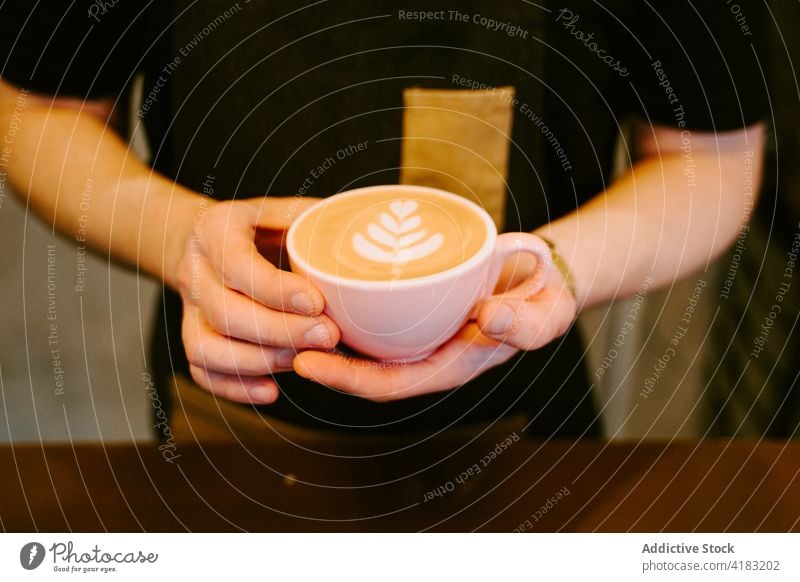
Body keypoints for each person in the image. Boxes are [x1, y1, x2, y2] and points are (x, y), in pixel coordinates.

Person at [0, 1, 766, 440]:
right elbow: (39, 109)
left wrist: (557, 269)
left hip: (525, 417)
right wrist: (179, 238)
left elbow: (711, 158)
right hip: (232, 407)